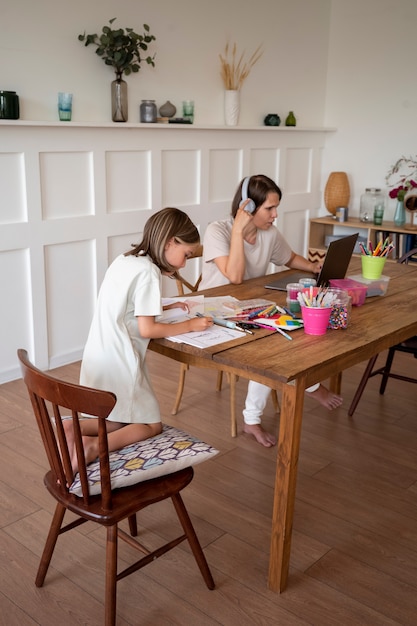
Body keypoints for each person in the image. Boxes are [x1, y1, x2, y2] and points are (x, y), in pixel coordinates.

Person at [64, 207, 214, 471]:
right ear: (170, 242)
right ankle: (91, 447)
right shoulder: (148, 273)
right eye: (186, 255)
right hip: (122, 361)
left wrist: (167, 307)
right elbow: (147, 329)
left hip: (100, 354)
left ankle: (72, 427)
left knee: (121, 418)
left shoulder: (126, 260)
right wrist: (191, 325)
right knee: (149, 424)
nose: (184, 263)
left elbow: (127, 307)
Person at [200, 174, 343, 447]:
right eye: (269, 208)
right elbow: (235, 276)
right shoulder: (218, 231)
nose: (275, 214)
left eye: (276, 207)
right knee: (274, 341)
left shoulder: (269, 233)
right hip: (214, 313)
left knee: (296, 325)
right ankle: (260, 415)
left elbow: (288, 258)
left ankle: (303, 390)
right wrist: (239, 233)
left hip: (248, 308)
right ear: (248, 207)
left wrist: (314, 267)